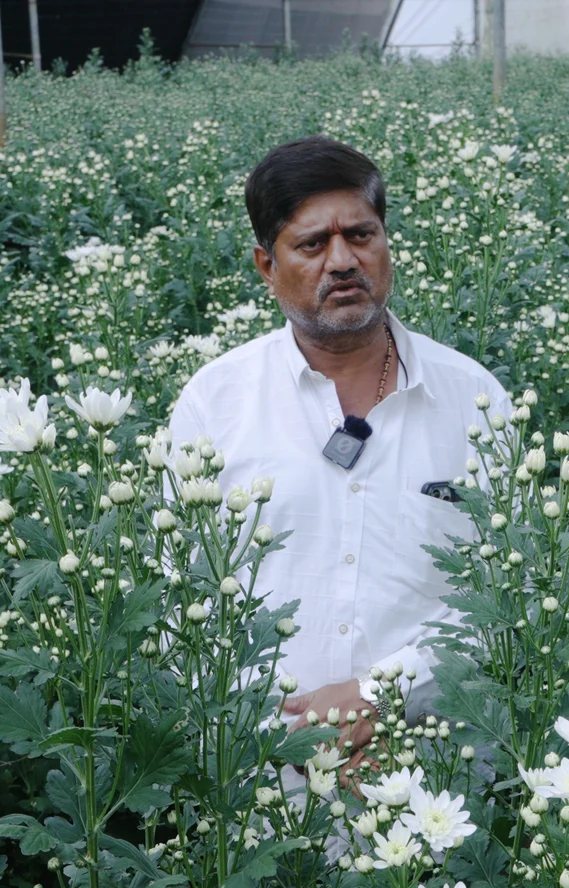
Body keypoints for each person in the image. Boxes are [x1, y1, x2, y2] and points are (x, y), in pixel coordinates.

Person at [166, 135, 512, 778]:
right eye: (312, 244)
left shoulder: (475, 398)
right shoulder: (215, 402)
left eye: (361, 235)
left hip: (437, 770)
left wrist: (388, 694)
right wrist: (290, 735)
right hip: (264, 780)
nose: (343, 260)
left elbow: (504, 593)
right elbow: (179, 593)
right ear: (266, 267)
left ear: (387, 246)